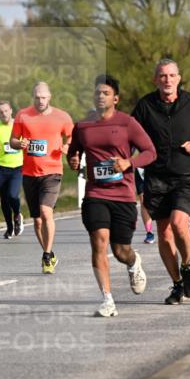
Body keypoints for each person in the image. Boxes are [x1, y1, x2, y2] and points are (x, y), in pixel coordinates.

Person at [67, 74, 156, 317]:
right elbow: (73, 151)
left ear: (115, 98)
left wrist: (129, 162)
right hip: (95, 193)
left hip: (123, 195)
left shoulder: (127, 123)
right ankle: (107, 299)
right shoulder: (83, 125)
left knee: (120, 250)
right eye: (97, 93)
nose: (100, 96)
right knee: (99, 241)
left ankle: (133, 262)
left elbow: (150, 152)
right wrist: (73, 160)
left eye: (105, 93)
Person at [132, 59, 190, 305]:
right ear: (156, 79)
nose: (167, 80)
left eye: (172, 75)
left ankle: (187, 266)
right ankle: (178, 284)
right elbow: (130, 135)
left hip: (186, 175)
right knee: (164, 234)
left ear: (179, 78)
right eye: (162, 76)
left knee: (179, 224)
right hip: (156, 176)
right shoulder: (145, 106)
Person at [10, 82, 74, 273]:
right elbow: (12, 140)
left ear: (50, 97)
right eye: (37, 97)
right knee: (37, 221)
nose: (40, 101)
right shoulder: (23, 115)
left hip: (52, 171)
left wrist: (67, 148)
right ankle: (50, 252)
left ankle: (46, 257)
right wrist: (18, 144)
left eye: (44, 97)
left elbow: (73, 138)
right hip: (29, 173)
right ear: (33, 97)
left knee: (46, 213)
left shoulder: (62, 116)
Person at [0, 100, 24, 239]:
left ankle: (17, 215)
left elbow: (26, 141)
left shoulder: (19, 125)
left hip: (17, 166)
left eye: (6, 111)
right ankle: (9, 228)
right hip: (1, 167)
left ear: (11, 111)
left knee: (13, 195)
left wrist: (23, 144)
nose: (4, 114)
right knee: (4, 199)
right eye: (1, 112)